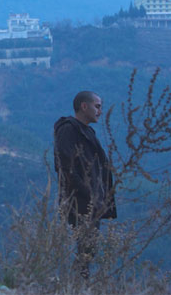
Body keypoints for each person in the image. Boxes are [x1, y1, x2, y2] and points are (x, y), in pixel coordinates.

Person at [53, 91, 116, 278]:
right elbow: (65, 166)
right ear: (84, 106)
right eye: (97, 106)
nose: (100, 111)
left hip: (90, 201)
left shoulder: (86, 131)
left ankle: (79, 284)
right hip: (79, 200)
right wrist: (87, 192)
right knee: (85, 247)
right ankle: (76, 285)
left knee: (89, 248)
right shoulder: (69, 129)